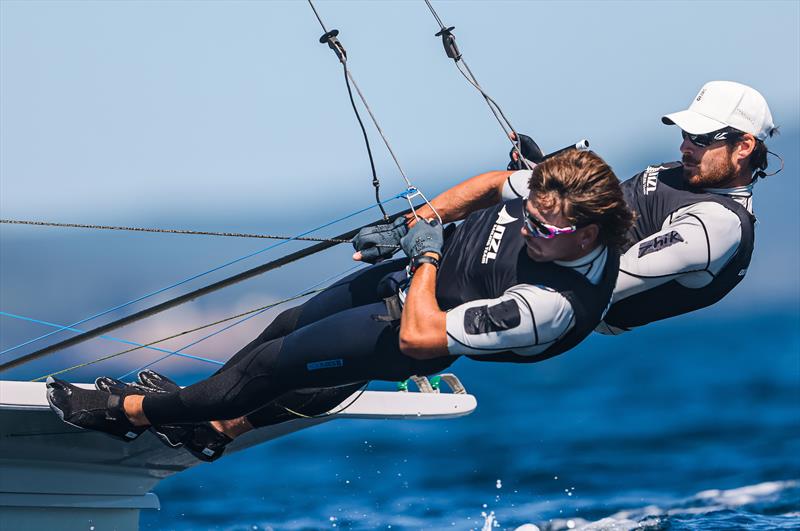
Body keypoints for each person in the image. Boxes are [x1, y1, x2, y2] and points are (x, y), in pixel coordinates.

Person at [47, 149, 634, 460]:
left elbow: (421, 339)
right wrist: (420, 222)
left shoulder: (550, 305)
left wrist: (426, 257)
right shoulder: (548, 198)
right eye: (528, 216)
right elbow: (489, 184)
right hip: (407, 279)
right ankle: (210, 425)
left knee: (272, 366)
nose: (530, 229)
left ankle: (130, 414)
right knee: (284, 327)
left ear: (588, 233)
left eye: (546, 232)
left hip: (414, 328)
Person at [505, 81, 779, 334]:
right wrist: (543, 174)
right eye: (685, 133)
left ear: (743, 146)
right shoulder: (684, 173)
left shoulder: (719, 225)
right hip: (539, 243)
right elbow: (604, 205)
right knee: (493, 188)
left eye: (701, 138)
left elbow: (604, 281)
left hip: (548, 291)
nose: (684, 146)